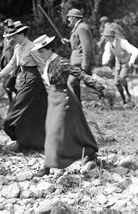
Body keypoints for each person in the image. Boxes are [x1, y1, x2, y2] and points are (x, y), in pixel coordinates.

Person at [30, 34, 107, 177]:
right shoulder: (47, 63)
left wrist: (97, 85)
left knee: (55, 132)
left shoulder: (60, 62)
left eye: (41, 51)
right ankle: (89, 152)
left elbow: (79, 74)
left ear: (48, 49)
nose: (39, 54)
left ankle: (48, 166)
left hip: (63, 99)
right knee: (66, 130)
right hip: (53, 100)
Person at [0, 21, 48, 151]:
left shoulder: (31, 47)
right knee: (27, 113)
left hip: (33, 81)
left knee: (17, 111)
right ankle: (23, 142)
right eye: (12, 35)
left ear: (22, 34)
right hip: (23, 79)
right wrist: (0, 75)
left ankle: (31, 142)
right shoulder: (18, 47)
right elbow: (13, 64)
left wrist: (50, 81)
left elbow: (42, 64)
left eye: (15, 35)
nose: (13, 38)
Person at [61, 9, 96, 102]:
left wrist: (85, 64)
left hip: (81, 61)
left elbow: (86, 46)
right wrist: (68, 42)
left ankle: (78, 103)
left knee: (72, 81)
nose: (68, 19)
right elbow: (77, 45)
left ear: (74, 18)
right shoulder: (78, 28)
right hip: (77, 60)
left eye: (69, 17)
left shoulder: (81, 27)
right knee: (86, 82)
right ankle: (105, 95)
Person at [101, 28, 138, 105]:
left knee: (122, 78)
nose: (105, 38)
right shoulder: (108, 44)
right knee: (116, 82)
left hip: (126, 62)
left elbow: (135, 50)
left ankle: (128, 95)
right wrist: (104, 62)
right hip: (118, 62)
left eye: (106, 36)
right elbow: (106, 53)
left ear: (111, 36)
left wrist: (132, 60)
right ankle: (124, 99)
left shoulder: (122, 42)